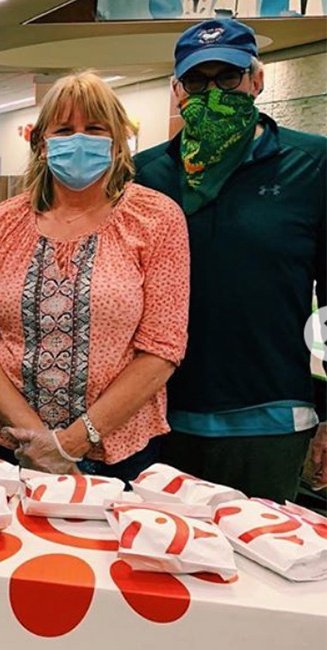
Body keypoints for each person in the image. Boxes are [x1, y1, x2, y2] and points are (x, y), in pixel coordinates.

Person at [0, 72, 190, 481]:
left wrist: (74, 442)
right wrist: (38, 440)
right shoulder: (3, 223)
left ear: (118, 142)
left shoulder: (156, 219)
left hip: (117, 456)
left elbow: (162, 349)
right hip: (12, 447)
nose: (79, 139)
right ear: (41, 143)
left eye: (94, 129)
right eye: (64, 129)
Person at [134, 18, 327, 499]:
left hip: (271, 416)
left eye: (228, 77)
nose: (212, 91)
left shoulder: (313, 165)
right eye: (197, 81)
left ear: (256, 81)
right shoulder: (147, 175)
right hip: (158, 413)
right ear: (178, 90)